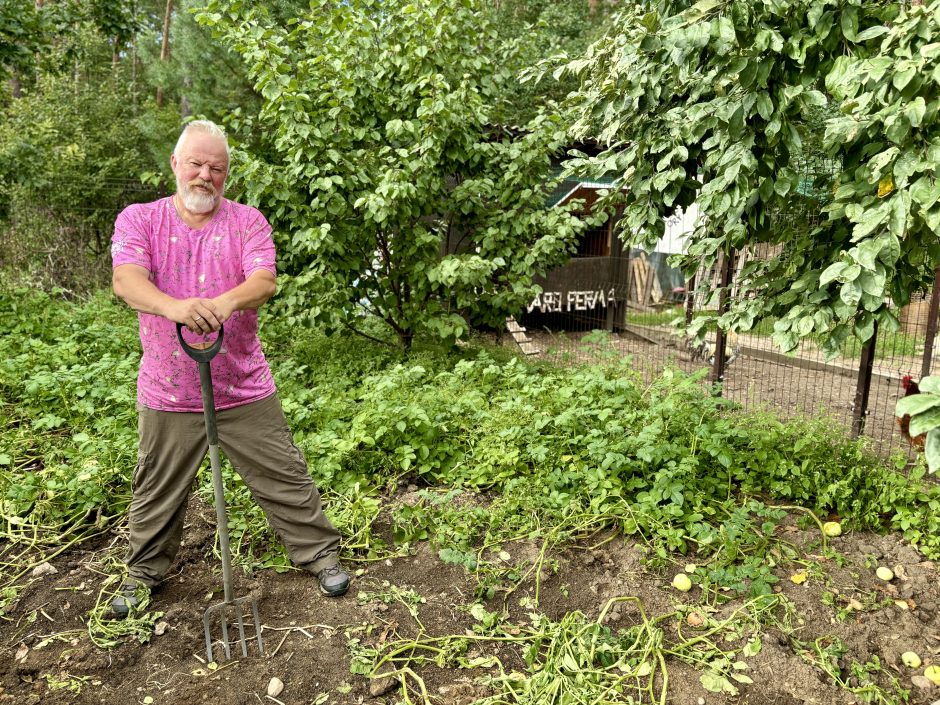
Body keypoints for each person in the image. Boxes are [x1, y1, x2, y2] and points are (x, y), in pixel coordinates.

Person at [109, 120, 348, 618]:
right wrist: (174, 307)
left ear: (227, 175)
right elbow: (126, 280)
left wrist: (224, 302)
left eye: (215, 168)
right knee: (157, 485)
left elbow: (263, 281)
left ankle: (320, 556)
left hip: (242, 384)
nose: (204, 175)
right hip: (169, 389)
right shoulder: (141, 220)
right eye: (195, 164)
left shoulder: (247, 222)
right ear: (175, 165)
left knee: (283, 473)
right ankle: (142, 573)